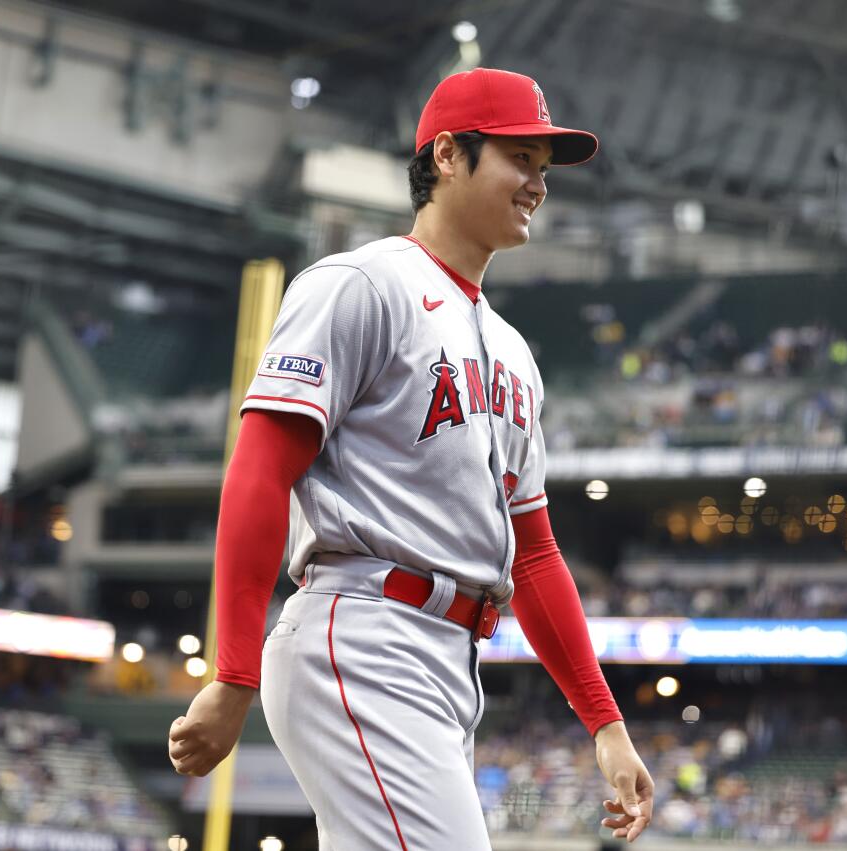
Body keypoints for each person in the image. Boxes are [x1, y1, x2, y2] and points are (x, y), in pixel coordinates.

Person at [168, 67, 654, 848]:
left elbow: (533, 556)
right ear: (449, 156)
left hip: (451, 661)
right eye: (519, 158)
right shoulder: (362, 284)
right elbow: (261, 470)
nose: (538, 182)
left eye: (543, 166)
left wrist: (605, 721)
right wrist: (233, 672)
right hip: (364, 633)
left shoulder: (512, 352)